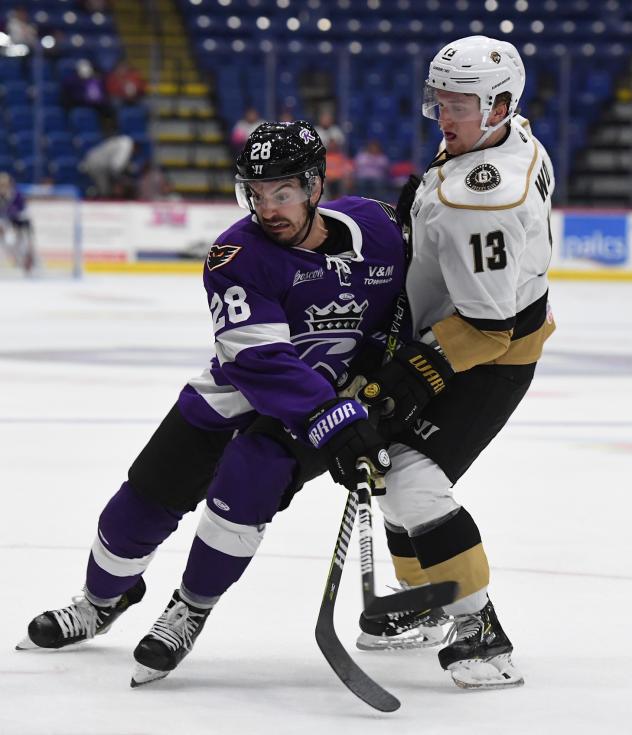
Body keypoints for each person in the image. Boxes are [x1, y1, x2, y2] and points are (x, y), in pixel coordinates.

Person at [17, 121, 408, 687]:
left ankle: (190, 608)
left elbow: (415, 296)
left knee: (244, 491)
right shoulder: (236, 254)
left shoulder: (379, 228)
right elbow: (258, 359)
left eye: (283, 192)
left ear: (315, 187)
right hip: (248, 399)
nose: (267, 207)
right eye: (256, 193)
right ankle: (101, 601)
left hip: (315, 412)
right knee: (139, 507)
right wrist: (332, 416)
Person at [351, 36, 556, 689]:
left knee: (413, 482)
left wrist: (410, 374)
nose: (445, 113)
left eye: (460, 102)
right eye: (440, 98)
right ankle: (429, 601)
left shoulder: (484, 199)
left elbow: (490, 326)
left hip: (490, 351)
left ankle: (481, 631)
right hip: (461, 327)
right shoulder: (502, 135)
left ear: (498, 104)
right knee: (388, 471)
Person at [0, 171, 35, 273]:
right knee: (8, 242)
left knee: (22, 244)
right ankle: (19, 261)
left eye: (4, 184)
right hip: (8, 224)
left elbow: (24, 212)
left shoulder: (16, 194)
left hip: (20, 224)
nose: (2, 187)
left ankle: (28, 262)